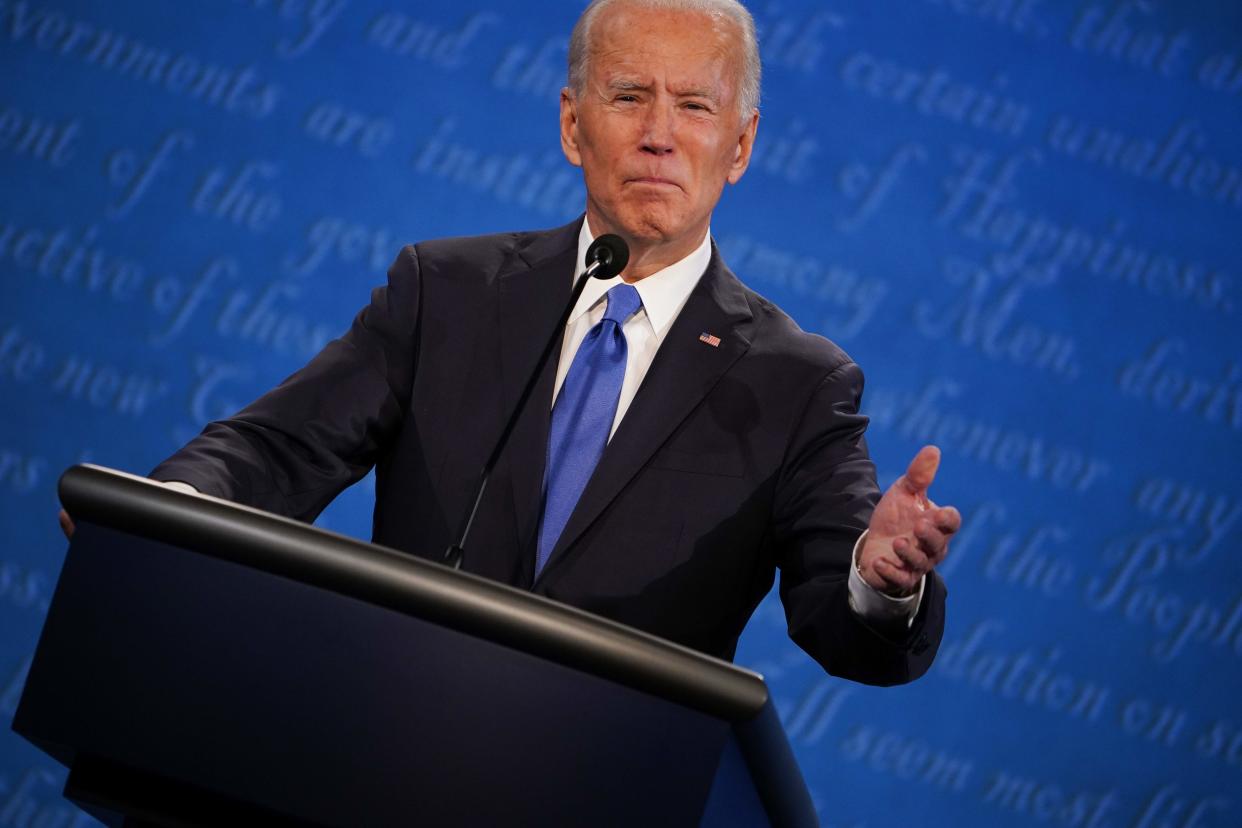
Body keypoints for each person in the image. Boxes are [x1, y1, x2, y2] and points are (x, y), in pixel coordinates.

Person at [61, 0, 960, 685]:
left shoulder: (797, 385)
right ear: (573, 124)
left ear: (740, 145)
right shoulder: (445, 293)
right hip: (381, 750)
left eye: (694, 106)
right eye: (628, 96)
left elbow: (845, 627)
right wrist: (168, 508)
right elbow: (275, 451)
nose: (658, 135)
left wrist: (881, 580)